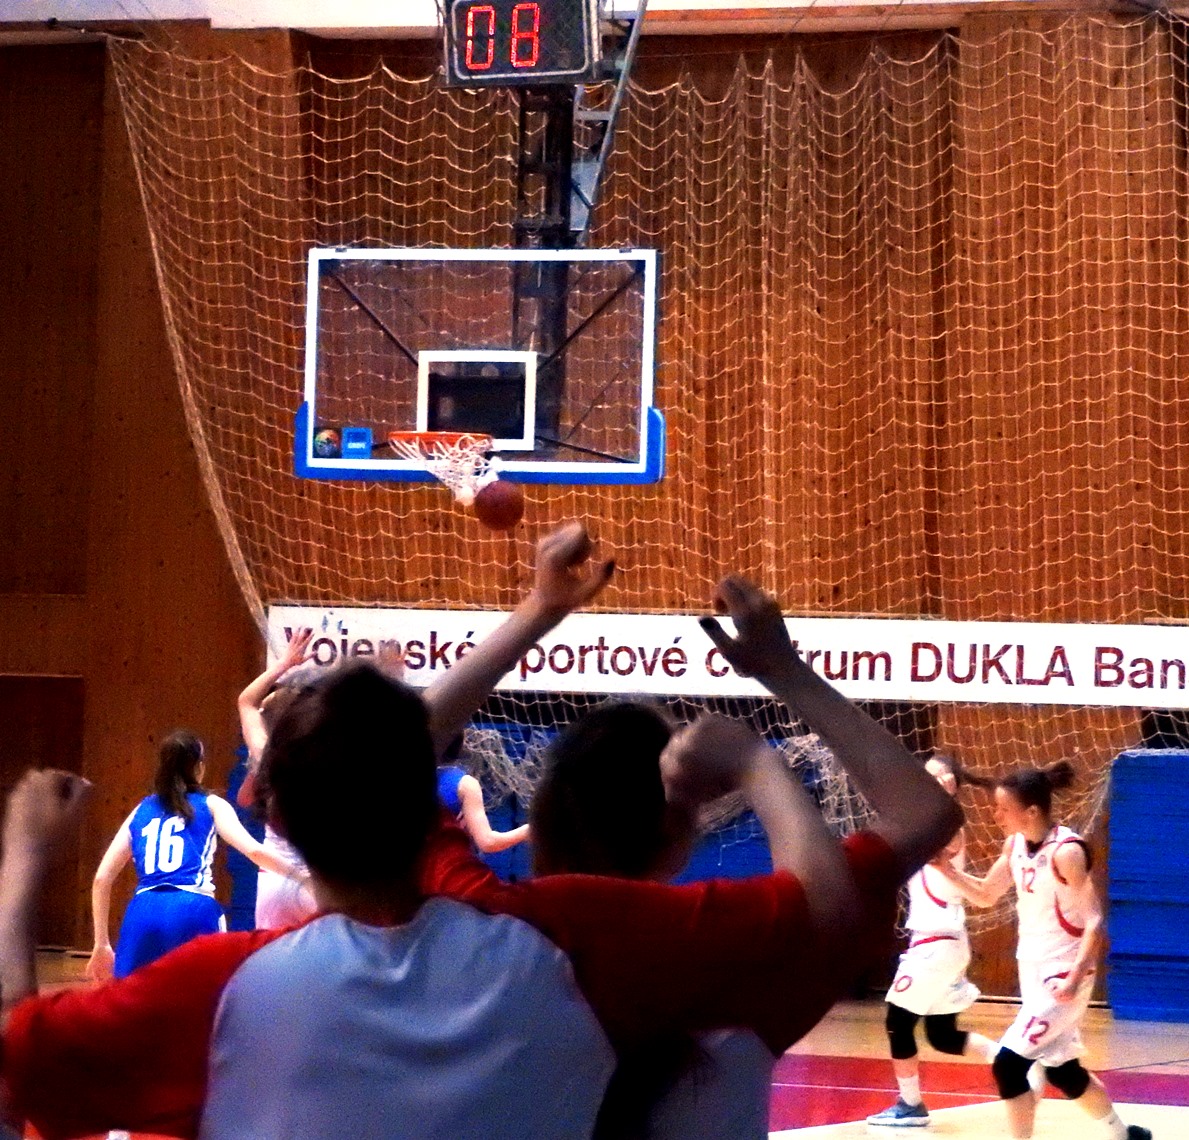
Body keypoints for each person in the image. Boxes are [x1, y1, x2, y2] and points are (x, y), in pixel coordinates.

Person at [0, 528, 961, 1139]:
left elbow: (16, 1057)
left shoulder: (222, 990)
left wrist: (21, 865)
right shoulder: (569, 940)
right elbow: (839, 889)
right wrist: (760, 745)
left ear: (276, 814)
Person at [528, 699, 773, 1140]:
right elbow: (909, 819)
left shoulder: (490, 938)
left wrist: (512, 646)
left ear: (547, 810)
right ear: (676, 821)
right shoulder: (744, 952)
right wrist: (755, 758)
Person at [931, 761, 1152, 1140]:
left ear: (1031, 812)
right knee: (1064, 1072)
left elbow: (1094, 920)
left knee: (1008, 1064)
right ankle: (1125, 1135)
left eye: (1003, 808)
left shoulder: (1066, 852)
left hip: (1064, 972)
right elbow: (986, 894)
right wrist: (947, 871)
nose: (996, 815)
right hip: (1032, 969)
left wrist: (1074, 977)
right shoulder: (1015, 845)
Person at [85, 730, 306, 982]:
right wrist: (302, 877)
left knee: (133, 999)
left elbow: (101, 879)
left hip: (142, 910)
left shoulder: (141, 809)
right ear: (198, 767)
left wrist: (101, 943)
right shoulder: (212, 804)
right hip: (192, 907)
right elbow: (254, 850)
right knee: (208, 994)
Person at [866, 754, 998, 1128]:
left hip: (937, 943)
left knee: (897, 1020)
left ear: (952, 784)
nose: (931, 783)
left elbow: (930, 837)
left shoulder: (948, 824)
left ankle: (910, 1105)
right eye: (926, 777)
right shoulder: (923, 821)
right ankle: (1011, 1058)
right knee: (942, 1035)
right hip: (939, 941)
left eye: (939, 777)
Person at [236, 627, 320, 928]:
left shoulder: (266, 755)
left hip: (274, 879)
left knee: (270, 955)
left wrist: (284, 664)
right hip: (317, 881)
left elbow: (246, 701)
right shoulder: (330, 760)